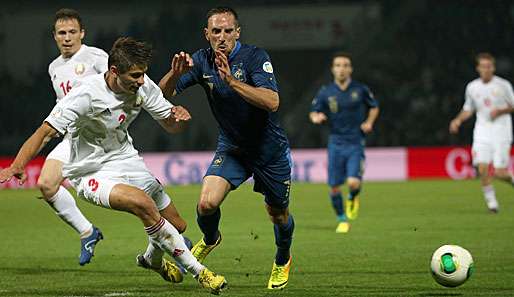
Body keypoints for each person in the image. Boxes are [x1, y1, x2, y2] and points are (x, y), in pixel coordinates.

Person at [0, 37, 227, 295]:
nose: (141, 80)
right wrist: (19, 164)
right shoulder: (85, 95)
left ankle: (151, 260)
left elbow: (170, 125)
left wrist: (180, 118)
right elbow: (45, 132)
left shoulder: (143, 87)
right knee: (142, 203)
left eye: (143, 74)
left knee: (177, 226)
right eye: (135, 75)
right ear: (114, 71)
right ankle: (202, 274)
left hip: (125, 159)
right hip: (89, 171)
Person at [159, 6, 295, 290]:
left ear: (238, 32)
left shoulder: (255, 57)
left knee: (278, 214)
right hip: (232, 148)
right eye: (216, 31)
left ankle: (283, 258)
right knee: (206, 204)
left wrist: (232, 82)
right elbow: (162, 95)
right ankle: (210, 239)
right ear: (206, 34)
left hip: (268, 151)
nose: (222, 37)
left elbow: (272, 102)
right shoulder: (201, 60)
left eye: (228, 31)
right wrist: (174, 74)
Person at [40, 8, 107, 266]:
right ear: (55, 36)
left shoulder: (96, 57)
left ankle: (172, 238)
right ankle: (88, 232)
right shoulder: (54, 67)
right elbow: (62, 103)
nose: (67, 37)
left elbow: (117, 84)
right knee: (47, 184)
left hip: (103, 139)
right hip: (73, 139)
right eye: (61, 33)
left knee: (134, 196)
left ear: (82, 33)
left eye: (72, 32)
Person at [309, 52, 379, 233]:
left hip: (355, 142)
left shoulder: (360, 89)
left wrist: (369, 122)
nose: (342, 69)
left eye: (345, 65)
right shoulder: (326, 92)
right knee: (334, 185)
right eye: (338, 65)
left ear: (350, 69)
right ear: (333, 69)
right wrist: (316, 117)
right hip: (335, 143)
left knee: (354, 183)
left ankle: (353, 196)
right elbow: (314, 111)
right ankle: (342, 219)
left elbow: (374, 106)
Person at [450, 52, 514, 213]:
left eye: (489, 66)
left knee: (500, 172)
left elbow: (513, 105)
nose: (486, 69)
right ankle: (492, 204)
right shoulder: (472, 87)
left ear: (493, 67)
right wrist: (458, 120)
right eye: (483, 67)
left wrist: (500, 111)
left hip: (501, 130)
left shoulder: (503, 85)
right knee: (482, 168)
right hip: (482, 131)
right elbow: (468, 108)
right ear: (478, 68)